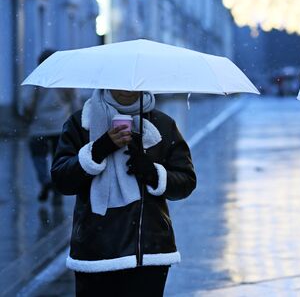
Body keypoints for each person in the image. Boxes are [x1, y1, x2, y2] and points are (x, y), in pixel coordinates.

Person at [51, 89, 196, 297]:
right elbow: (62, 180)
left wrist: (152, 172)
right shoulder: (81, 123)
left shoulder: (162, 125)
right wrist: (99, 149)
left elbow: (186, 182)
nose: (127, 90)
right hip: (95, 252)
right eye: (119, 83)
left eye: (132, 84)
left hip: (148, 251)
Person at [23, 50, 80, 202]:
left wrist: (28, 116)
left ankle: (45, 181)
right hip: (60, 125)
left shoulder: (37, 79)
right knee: (58, 158)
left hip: (39, 125)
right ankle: (57, 186)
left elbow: (27, 102)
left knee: (38, 156)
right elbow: (75, 102)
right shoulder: (64, 79)